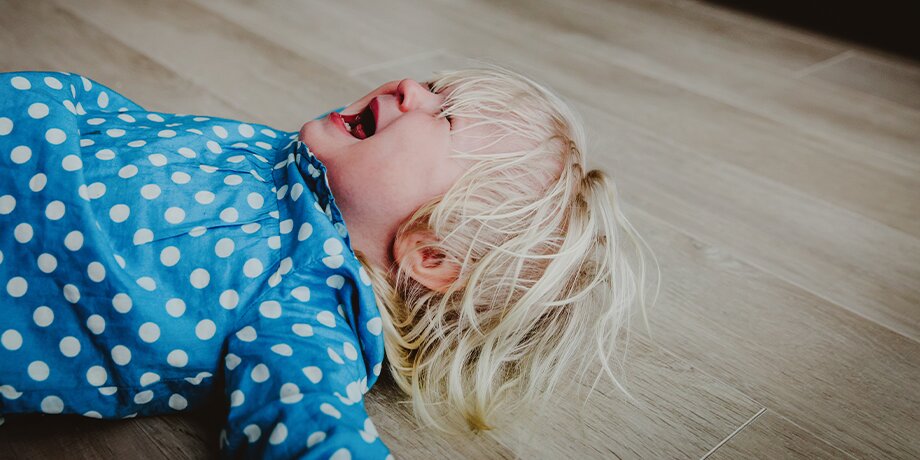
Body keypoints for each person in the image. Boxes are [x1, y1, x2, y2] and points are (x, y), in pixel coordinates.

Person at [0, 65, 657, 458]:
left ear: (431, 254)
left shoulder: (311, 303)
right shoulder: (285, 158)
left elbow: (307, 422)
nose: (410, 87)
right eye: (435, 87)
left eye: (444, 116)